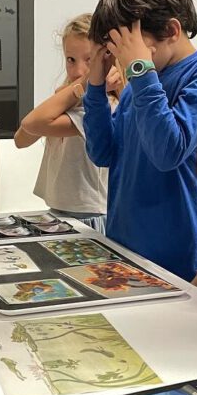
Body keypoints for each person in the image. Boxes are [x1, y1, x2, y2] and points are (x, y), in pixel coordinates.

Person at [83, 0, 197, 281]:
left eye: (129, 49)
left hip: (179, 262)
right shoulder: (140, 85)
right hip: (125, 252)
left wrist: (141, 72)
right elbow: (102, 153)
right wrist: (95, 86)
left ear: (171, 31)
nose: (124, 60)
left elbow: (168, 151)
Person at [14, 13, 123, 233]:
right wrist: (72, 92)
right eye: (70, 59)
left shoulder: (104, 106)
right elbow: (21, 139)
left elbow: (31, 122)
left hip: (90, 219)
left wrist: (86, 83)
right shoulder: (68, 101)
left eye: (89, 60)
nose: (78, 71)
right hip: (59, 215)